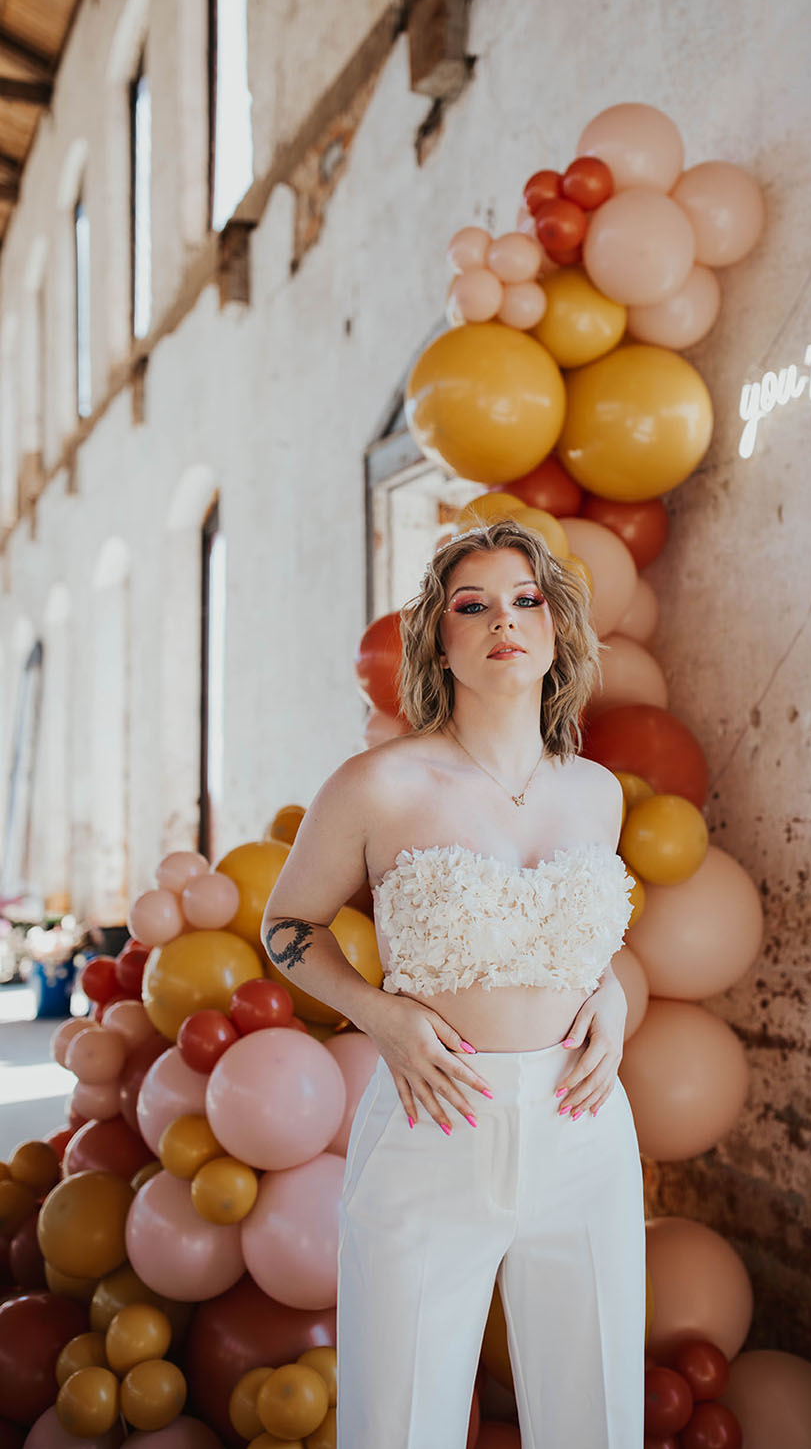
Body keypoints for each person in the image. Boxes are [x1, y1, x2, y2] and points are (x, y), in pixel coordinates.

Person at [261, 518, 646, 1449]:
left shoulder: (598, 792)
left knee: (597, 1417)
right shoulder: (376, 784)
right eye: (472, 606)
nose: (503, 620)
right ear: (440, 642)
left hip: (584, 1124)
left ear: (555, 628)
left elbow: (581, 945)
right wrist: (378, 1015)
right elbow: (286, 928)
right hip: (435, 1119)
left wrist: (611, 999)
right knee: (400, 1422)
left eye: (525, 600)